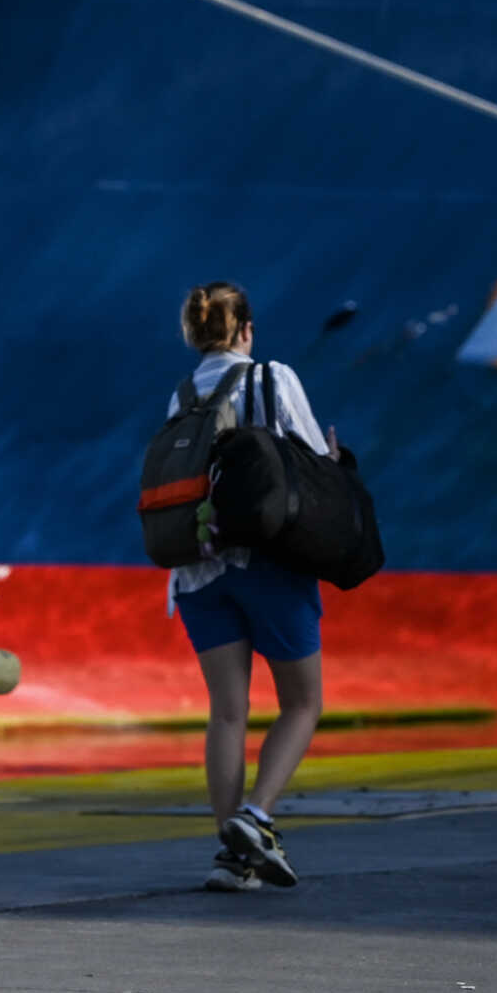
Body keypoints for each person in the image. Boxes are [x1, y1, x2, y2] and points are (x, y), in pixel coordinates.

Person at [167, 281, 331, 893]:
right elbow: (311, 457)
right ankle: (256, 817)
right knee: (303, 702)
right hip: (268, 564)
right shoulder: (271, 377)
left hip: (195, 571)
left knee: (228, 711)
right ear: (246, 331)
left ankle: (230, 858)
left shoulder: (183, 394)